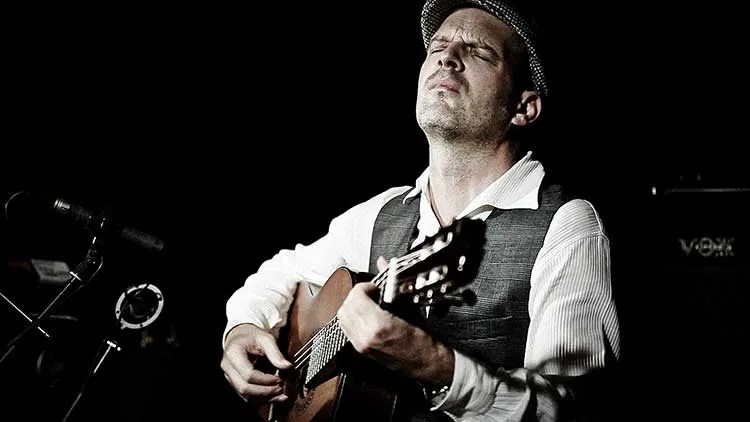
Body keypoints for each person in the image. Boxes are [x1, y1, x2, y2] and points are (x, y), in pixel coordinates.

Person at [221, 0, 622, 420]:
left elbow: (568, 410)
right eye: (438, 47)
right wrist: (244, 328)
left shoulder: (565, 225)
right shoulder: (383, 212)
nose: (448, 57)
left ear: (523, 108)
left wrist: (436, 366)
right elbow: (284, 271)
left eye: (479, 52)